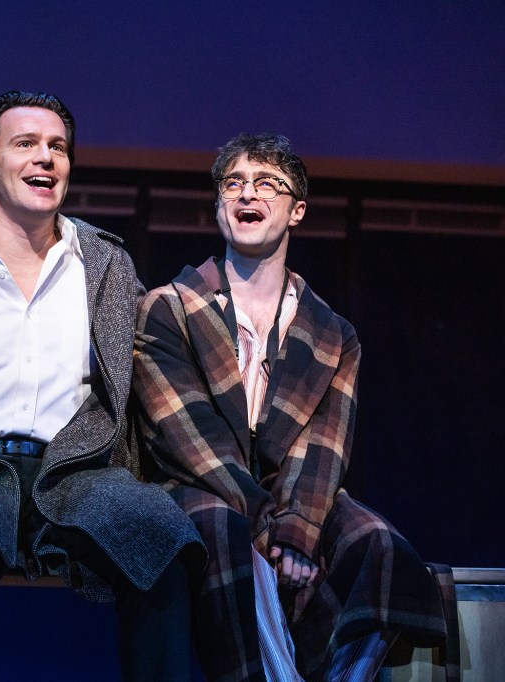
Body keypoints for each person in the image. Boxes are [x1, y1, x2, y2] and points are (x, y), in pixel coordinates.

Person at [0, 91, 205, 682]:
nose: (46, 158)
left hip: (77, 469)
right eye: (25, 144)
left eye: (58, 147)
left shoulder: (106, 263)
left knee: (162, 538)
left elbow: (132, 386)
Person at [132, 134, 447, 681]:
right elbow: (184, 432)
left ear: (296, 210)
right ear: (218, 205)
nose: (246, 194)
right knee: (224, 532)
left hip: (290, 496)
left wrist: (297, 527)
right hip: (203, 489)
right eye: (233, 183)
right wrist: (264, 523)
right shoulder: (169, 308)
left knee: (379, 547)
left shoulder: (331, 333)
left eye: (265, 184)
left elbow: (325, 444)